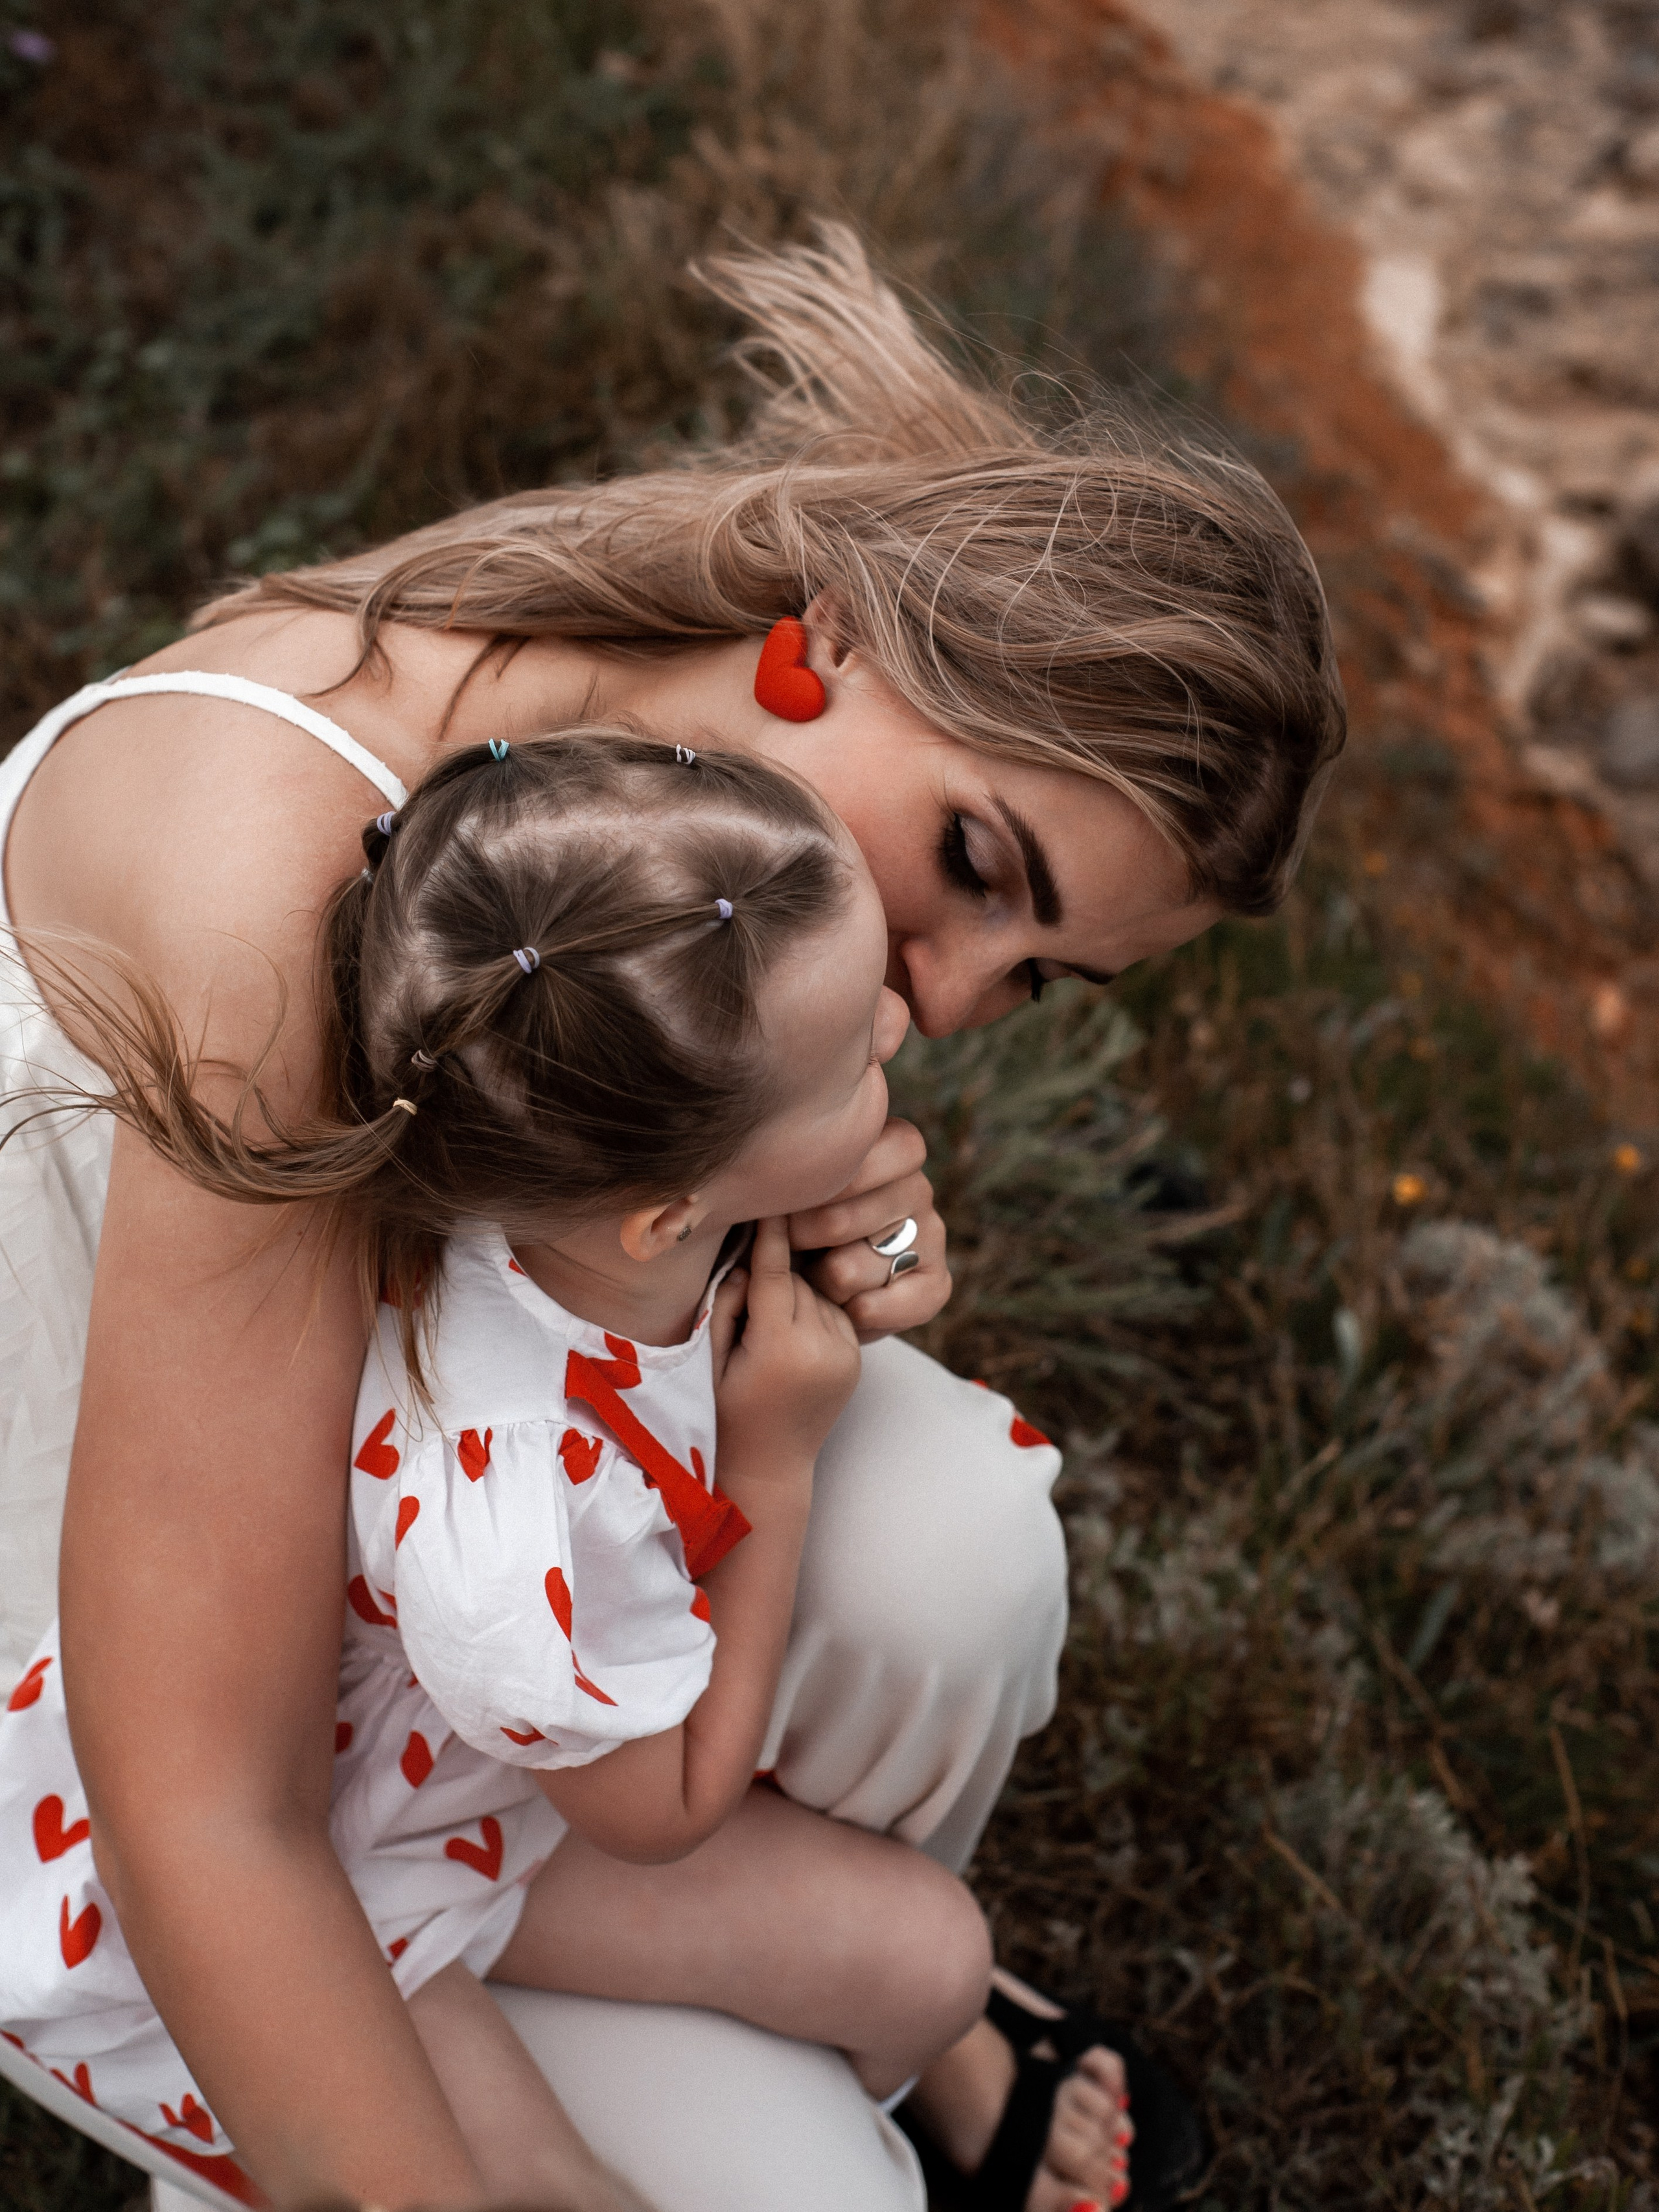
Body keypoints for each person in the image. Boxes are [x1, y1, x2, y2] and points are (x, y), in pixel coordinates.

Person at [0, 224, 1344, 2212]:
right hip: (81, 1663)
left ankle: (822, 1987)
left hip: (419, 1589)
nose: (944, 1005)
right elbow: (198, 1796)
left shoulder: (693, 801)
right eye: (977, 863)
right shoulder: (272, 884)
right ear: (835, 637)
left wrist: (779, 1232)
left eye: (1042, 975)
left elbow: (561, 1265)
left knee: (961, 1541)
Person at [0, 732, 1036, 2211]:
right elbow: (665, 1805)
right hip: (345, 1876)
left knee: (932, 1958)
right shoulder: (513, 1537)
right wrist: (775, 1460)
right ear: (666, 1211)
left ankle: (890, 2078)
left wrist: (866, 1236)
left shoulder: (577, 1129)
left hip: (465, 1778)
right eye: (845, 1058)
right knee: (544, 2194)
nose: (896, 1020)